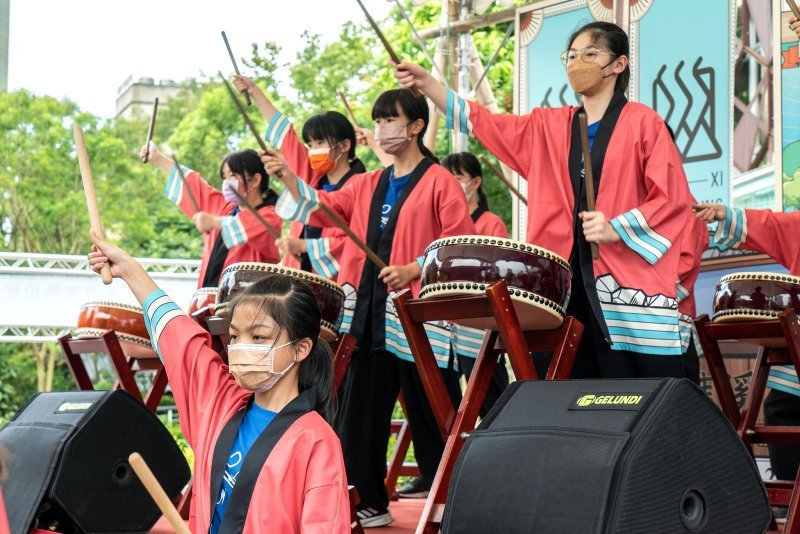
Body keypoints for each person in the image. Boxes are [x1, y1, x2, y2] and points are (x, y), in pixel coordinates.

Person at [394, 21, 692, 379]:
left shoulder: (645, 123)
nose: (578, 62)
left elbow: (673, 198)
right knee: (560, 384)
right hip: (560, 277)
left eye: (590, 54)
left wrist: (616, 228)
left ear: (619, 64)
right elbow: (485, 123)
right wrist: (430, 86)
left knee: (636, 391)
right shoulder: (546, 126)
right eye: (572, 55)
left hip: (621, 281)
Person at [263, 88, 476, 526]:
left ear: (416, 126)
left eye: (390, 120)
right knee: (360, 412)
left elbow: (458, 246)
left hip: (417, 315)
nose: (381, 129)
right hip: (368, 314)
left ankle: (450, 504)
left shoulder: (440, 181)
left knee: (430, 412)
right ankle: (368, 500)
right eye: (377, 121)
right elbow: (322, 209)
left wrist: (415, 267)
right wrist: (287, 176)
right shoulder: (366, 183)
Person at [87, 234, 349, 533]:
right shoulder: (221, 403)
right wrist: (129, 270)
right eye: (235, 337)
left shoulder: (316, 440)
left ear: (301, 348)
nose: (240, 347)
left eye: (258, 337)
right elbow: (181, 339)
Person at [233, 76, 390, 281]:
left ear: (344, 146)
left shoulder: (364, 185)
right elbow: (285, 136)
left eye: (320, 142)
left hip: (339, 283)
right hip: (297, 278)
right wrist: (254, 91)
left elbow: (358, 241)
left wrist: (305, 246)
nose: (313, 150)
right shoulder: (309, 177)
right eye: (310, 144)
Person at [695, 202, 800, 485]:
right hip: (795, 364)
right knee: (781, 411)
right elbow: (772, 226)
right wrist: (725, 214)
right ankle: (792, 498)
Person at [141, 144, 282, 288]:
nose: (227, 183)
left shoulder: (272, 215)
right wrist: (158, 158)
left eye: (232, 176)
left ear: (255, 180)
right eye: (224, 177)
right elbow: (193, 185)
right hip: (207, 298)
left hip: (248, 303)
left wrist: (215, 222)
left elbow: (253, 225)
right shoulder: (225, 208)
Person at [441, 152, 510, 416]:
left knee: (489, 399)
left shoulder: (491, 223)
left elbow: (496, 272)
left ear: (476, 182)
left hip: (478, 323)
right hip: (446, 323)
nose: (452, 184)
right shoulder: (443, 221)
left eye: (457, 178)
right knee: (447, 399)